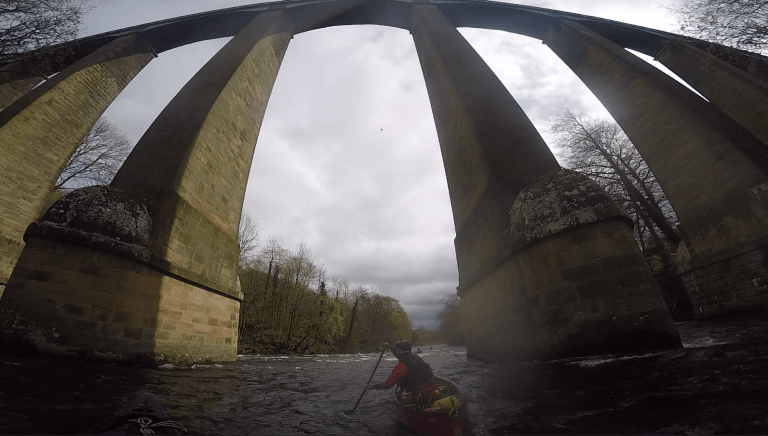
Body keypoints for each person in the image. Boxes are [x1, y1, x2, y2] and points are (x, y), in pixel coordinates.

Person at [363, 340, 441, 406]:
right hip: (434, 390)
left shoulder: (401, 368)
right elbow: (400, 354)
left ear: (399, 352)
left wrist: (371, 387)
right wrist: (390, 347)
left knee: (405, 400)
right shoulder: (416, 357)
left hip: (418, 396)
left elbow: (387, 385)